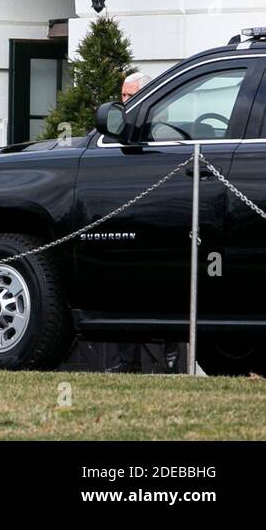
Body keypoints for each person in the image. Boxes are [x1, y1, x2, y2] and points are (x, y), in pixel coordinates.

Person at [108, 71, 162, 373]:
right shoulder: (117, 125)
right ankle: (126, 359)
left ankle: (166, 355)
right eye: (124, 96)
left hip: (153, 215)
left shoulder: (155, 122)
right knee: (123, 283)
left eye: (131, 96)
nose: (126, 102)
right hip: (124, 212)